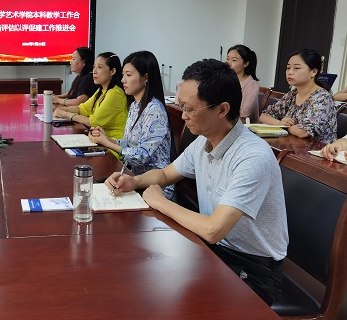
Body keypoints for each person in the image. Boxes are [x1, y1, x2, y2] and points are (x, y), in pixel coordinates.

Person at [106, 59, 288, 305]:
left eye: (190, 109)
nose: (183, 116)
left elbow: (213, 230)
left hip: (251, 267)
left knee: (168, 303)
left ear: (222, 110)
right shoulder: (204, 141)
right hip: (214, 250)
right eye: (182, 106)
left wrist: (160, 202)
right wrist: (134, 181)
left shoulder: (252, 156)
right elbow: (164, 175)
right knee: (138, 277)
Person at [88, 51, 174, 199]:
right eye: (123, 75)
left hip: (156, 187)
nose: (123, 80)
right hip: (134, 179)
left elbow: (142, 155)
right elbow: (128, 143)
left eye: (128, 75)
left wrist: (107, 143)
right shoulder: (135, 105)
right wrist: (106, 138)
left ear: (145, 77)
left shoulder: (154, 110)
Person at [259, 48, 336, 144]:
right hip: (293, 146)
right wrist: (279, 123)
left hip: (317, 151)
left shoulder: (322, 98)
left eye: (297, 68)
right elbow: (263, 116)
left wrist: (285, 127)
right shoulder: (292, 94)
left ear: (314, 72)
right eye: (288, 68)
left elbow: (303, 132)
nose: (290, 72)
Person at [53, 52, 128, 140]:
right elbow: (83, 108)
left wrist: (65, 114)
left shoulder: (115, 93)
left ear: (112, 71)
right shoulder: (102, 90)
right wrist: (60, 110)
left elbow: (93, 122)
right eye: (94, 67)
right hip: (100, 137)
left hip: (114, 141)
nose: (94, 71)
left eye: (99, 67)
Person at [226, 44, 260, 123]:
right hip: (227, 121)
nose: (228, 63)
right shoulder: (227, 80)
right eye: (227, 59)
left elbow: (245, 113)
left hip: (243, 125)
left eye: (234, 60)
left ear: (245, 64)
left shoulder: (252, 84)